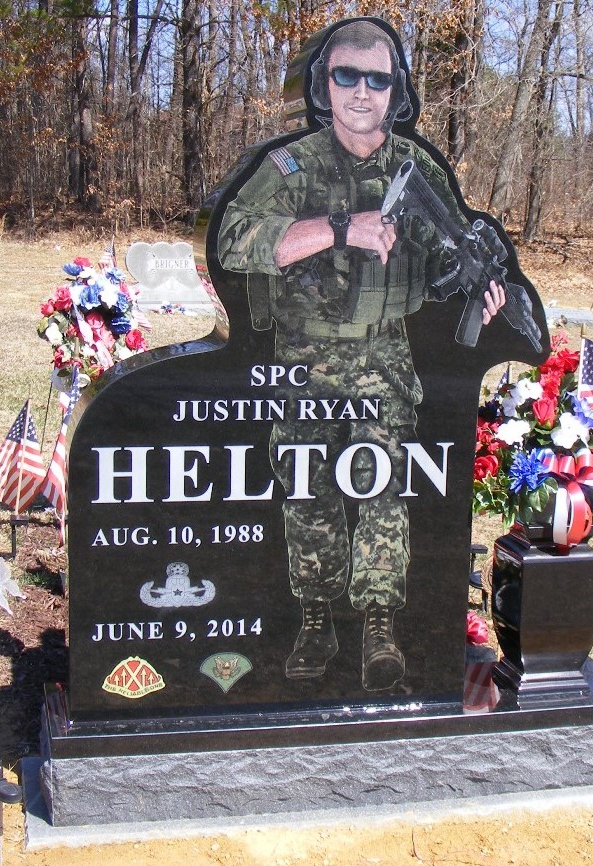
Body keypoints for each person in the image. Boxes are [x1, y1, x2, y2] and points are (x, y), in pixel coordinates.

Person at [218, 19, 505, 691]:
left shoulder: (416, 168)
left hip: (384, 357)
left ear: (395, 91)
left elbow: (447, 249)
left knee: (381, 489)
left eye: (378, 80)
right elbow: (235, 238)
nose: (361, 92)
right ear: (325, 85)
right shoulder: (293, 165)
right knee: (309, 488)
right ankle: (316, 619)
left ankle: (378, 624)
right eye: (347, 75)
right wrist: (341, 228)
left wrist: (479, 287)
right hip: (305, 362)